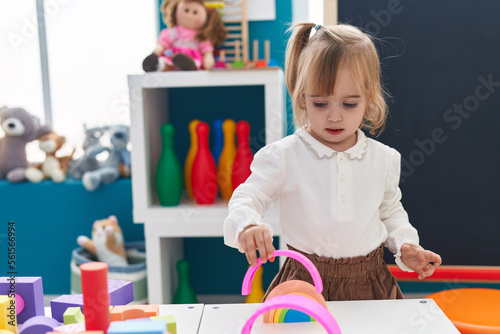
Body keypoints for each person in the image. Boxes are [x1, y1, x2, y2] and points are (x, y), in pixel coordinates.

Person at [223, 22, 442, 301]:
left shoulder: (383, 159)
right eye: (320, 104)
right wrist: (247, 225)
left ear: (368, 98)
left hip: (371, 283)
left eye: (349, 104)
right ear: (302, 98)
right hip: (303, 281)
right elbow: (246, 197)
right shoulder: (284, 155)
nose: (335, 117)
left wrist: (406, 244)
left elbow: (389, 213)